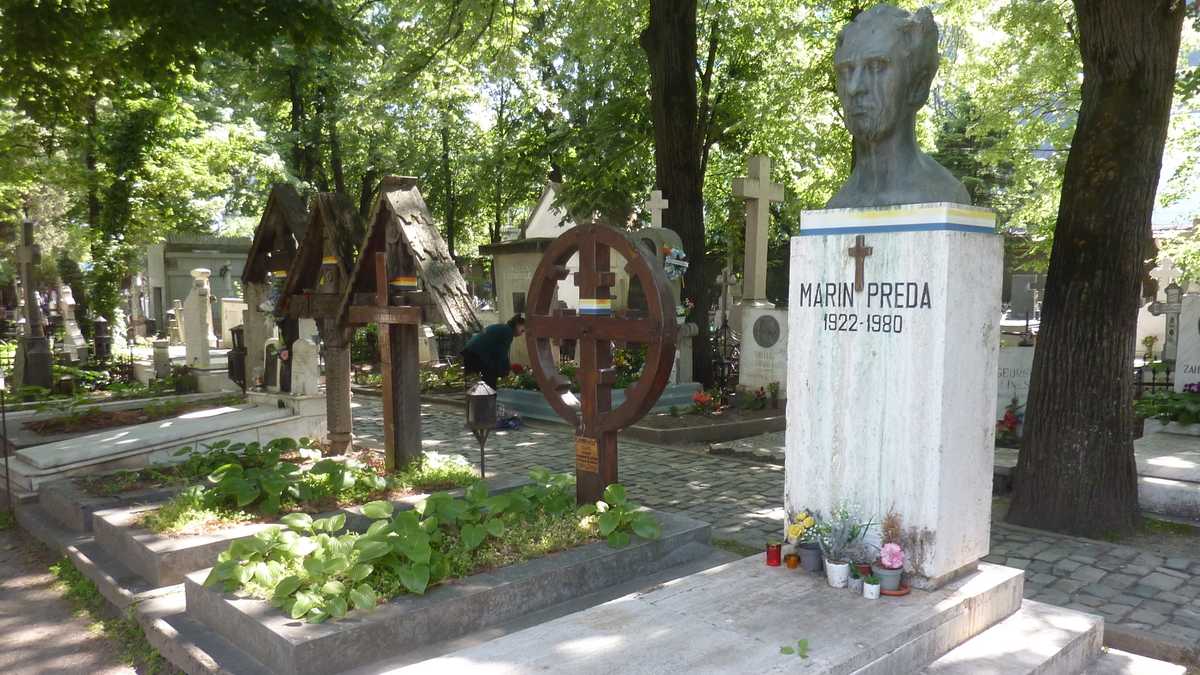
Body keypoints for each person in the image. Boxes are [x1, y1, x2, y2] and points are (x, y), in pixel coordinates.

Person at [461, 315, 525, 388]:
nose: (521, 334)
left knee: (472, 384)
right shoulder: (508, 332)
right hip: (476, 354)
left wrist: (505, 368)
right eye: (522, 331)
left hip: (470, 351)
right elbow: (502, 354)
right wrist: (504, 371)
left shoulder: (502, 328)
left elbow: (500, 353)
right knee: (489, 383)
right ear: (517, 325)